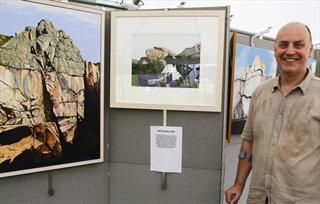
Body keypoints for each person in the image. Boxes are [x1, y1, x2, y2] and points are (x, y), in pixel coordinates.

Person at [225, 22, 320, 204]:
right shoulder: (260, 93)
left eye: (298, 45)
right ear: (275, 49)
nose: (290, 51)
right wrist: (238, 184)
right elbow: (248, 143)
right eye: (284, 45)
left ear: (310, 50)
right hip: (259, 198)